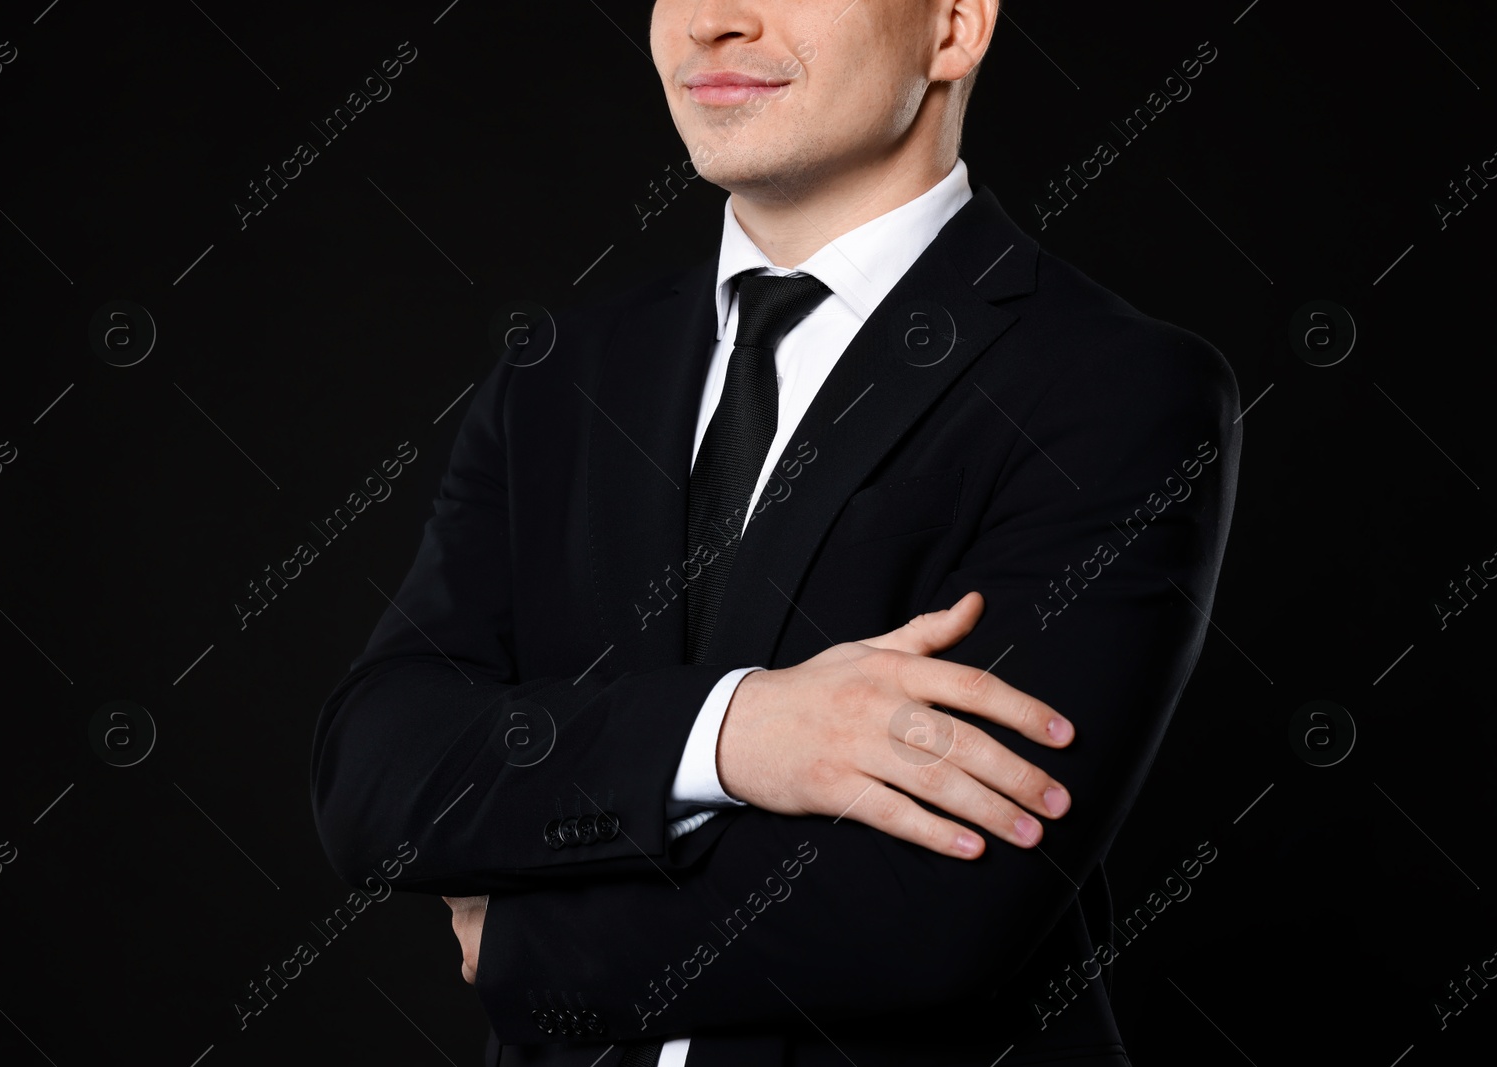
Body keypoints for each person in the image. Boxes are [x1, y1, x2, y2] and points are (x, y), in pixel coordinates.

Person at [310, 1, 1241, 1064]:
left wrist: (522, 933)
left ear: (952, 27)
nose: (711, 21)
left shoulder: (1115, 386)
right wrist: (736, 731)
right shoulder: (560, 374)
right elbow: (375, 774)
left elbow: (937, 906)